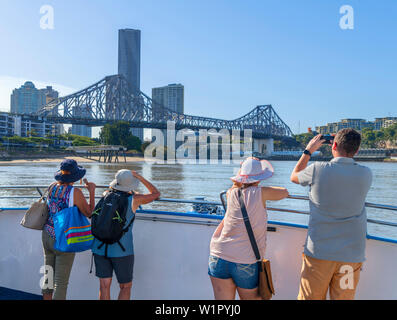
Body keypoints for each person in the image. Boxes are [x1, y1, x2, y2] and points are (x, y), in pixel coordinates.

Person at [290, 129, 373, 300]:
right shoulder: (366, 173)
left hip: (320, 254)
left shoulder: (318, 169)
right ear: (357, 150)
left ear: (333, 145)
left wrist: (308, 151)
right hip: (350, 257)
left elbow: (294, 177)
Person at [208, 157, 289, 300]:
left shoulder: (231, 193)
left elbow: (237, 185)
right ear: (259, 178)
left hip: (218, 255)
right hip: (244, 260)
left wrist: (241, 175)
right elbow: (284, 192)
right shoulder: (261, 193)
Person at [92, 169, 160, 300]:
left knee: (104, 286)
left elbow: (114, 189)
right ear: (131, 185)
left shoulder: (106, 194)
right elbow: (156, 194)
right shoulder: (134, 200)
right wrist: (139, 177)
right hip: (122, 250)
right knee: (125, 286)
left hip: (99, 247)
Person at [42, 159, 96, 300]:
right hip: (63, 238)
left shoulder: (52, 186)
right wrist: (91, 192)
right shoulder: (74, 192)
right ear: (75, 177)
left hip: (47, 234)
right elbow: (89, 213)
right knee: (60, 283)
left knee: (48, 276)